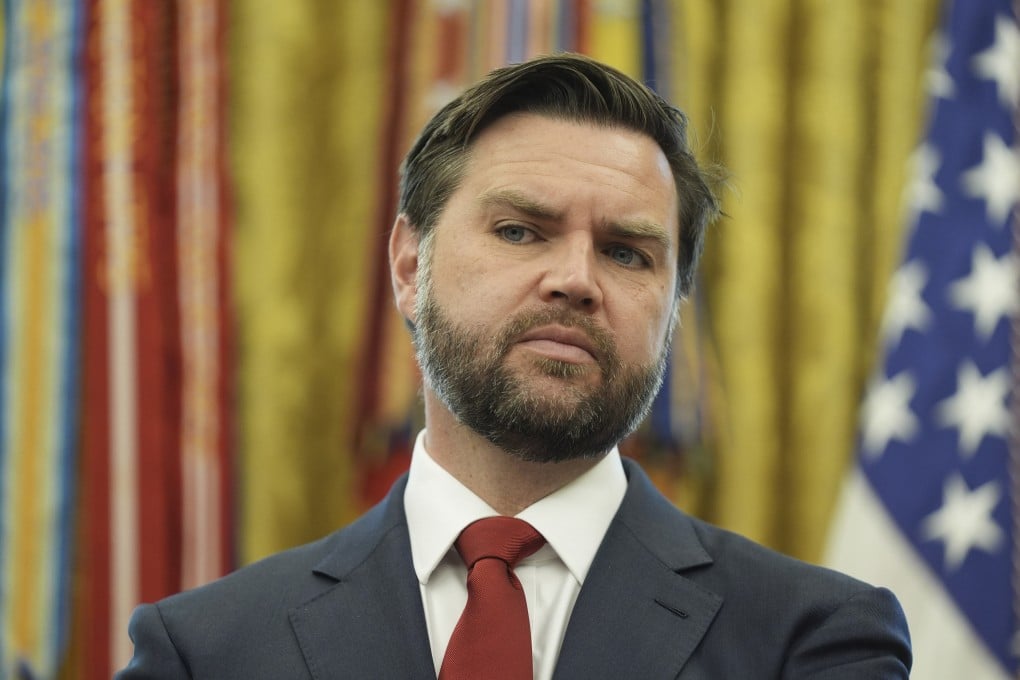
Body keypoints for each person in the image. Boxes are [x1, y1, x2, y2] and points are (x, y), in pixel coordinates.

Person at [117, 53, 911, 679]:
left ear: (674, 306)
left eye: (627, 252)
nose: (576, 278)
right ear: (407, 265)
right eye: (521, 231)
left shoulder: (814, 640)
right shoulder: (207, 649)